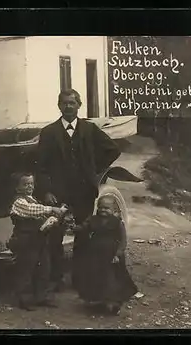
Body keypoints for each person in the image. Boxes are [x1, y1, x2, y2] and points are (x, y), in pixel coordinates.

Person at [35, 89, 121, 291]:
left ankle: (80, 279)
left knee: (83, 235)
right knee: (54, 235)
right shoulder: (49, 133)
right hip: (58, 193)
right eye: (64, 103)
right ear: (59, 106)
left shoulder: (89, 129)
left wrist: (93, 170)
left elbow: (112, 150)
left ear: (79, 105)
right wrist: (46, 191)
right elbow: (40, 166)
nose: (68, 107)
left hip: (83, 192)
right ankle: (56, 279)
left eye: (72, 103)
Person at [7, 172, 68, 311]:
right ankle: (23, 299)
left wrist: (53, 220)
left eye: (31, 183)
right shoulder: (19, 202)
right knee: (26, 270)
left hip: (39, 240)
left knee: (43, 269)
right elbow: (33, 210)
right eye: (25, 184)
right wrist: (52, 209)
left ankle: (41, 296)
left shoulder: (33, 199)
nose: (29, 186)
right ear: (17, 188)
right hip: (26, 241)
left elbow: (38, 213)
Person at [72, 195, 139, 315]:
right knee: (95, 277)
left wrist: (118, 254)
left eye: (106, 208)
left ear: (113, 210)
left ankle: (113, 303)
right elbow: (83, 228)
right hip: (95, 254)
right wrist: (74, 227)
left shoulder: (117, 223)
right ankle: (97, 300)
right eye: (101, 208)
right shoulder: (92, 219)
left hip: (111, 255)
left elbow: (123, 240)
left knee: (111, 279)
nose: (103, 210)